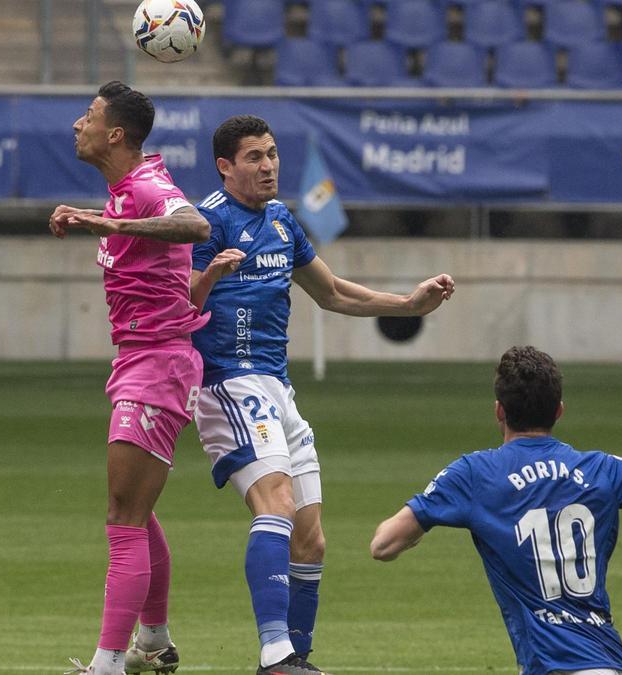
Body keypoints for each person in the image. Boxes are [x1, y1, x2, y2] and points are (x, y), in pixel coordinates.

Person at [188, 114, 456, 675]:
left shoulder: (282, 220)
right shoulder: (206, 221)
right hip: (229, 381)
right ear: (224, 166)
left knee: (310, 540)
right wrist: (210, 275)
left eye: (271, 153)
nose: (268, 166)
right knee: (277, 506)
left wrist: (408, 304)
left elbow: (331, 293)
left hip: (277, 388)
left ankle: (298, 659)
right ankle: (275, 655)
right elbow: (178, 303)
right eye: (254, 157)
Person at [371, 345, 622, 675]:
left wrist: (423, 526)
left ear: (499, 411)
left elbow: (384, 545)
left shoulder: (475, 474)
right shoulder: (602, 469)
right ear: (559, 411)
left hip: (554, 665)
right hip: (606, 660)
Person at [50, 81, 211, 675]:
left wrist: (113, 225)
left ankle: (108, 664)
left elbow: (194, 226)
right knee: (137, 512)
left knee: (124, 518)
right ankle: (155, 642)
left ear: (115, 134)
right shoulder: (124, 192)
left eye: (89, 116)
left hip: (158, 365)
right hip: (144, 361)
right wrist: (99, 218)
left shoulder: (146, 187)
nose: (78, 124)